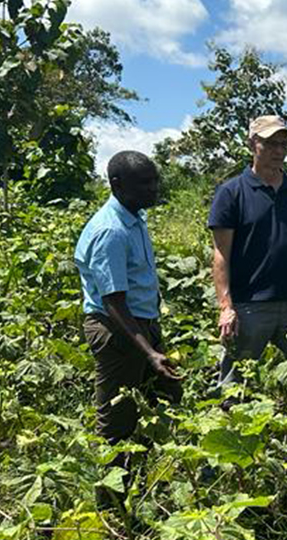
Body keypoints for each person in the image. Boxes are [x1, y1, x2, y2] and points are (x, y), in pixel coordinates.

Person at [74, 151, 182, 511]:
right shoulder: (111, 231)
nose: (153, 189)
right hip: (118, 330)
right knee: (117, 421)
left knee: (165, 399)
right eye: (144, 183)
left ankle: (147, 485)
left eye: (154, 181)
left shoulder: (134, 217)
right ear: (117, 185)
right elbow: (114, 303)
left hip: (140, 325)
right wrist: (149, 352)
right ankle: (111, 509)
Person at [209, 115, 287, 407]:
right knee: (235, 384)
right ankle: (233, 446)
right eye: (270, 143)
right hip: (250, 307)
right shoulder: (231, 193)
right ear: (253, 143)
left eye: (283, 144)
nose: (278, 150)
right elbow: (221, 255)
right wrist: (226, 307)